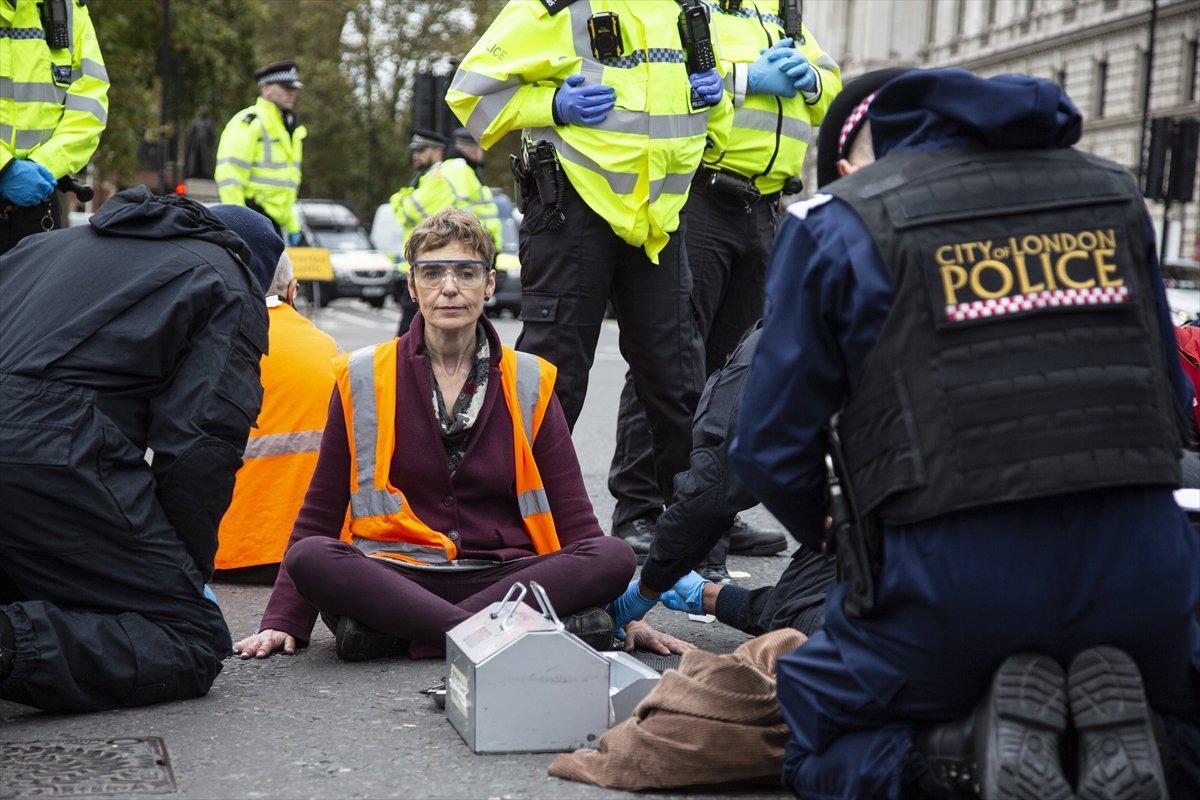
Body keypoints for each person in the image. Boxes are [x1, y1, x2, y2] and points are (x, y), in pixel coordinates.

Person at [727, 68, 1199, 799]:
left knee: (815, 738)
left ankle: (959, 757)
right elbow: (1173, 400)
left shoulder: (838, 219)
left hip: (949, 579)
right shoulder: (1115, 196)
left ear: (895, 132)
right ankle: (1154, 747)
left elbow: (766, 445)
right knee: (1185, 709)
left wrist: (834, 542)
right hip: (1140, 570)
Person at [234, 208, 637, 663]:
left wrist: (623, 612)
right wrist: (282, 620)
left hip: (505, 574)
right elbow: (320, 510)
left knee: (615, 555)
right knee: (310, 556)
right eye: (432, 273)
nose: (449, 288)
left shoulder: (531, 379)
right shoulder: (362, 374)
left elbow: (574, 515)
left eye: (466, 273)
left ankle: (410, 633)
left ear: (488, 285)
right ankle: (494, 631)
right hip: (399, 574)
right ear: (412, 286)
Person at [447, 0, 734, 519]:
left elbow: (705, 124)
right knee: (555, 378)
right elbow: (471, 90)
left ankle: (692, 543)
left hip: (657, 221)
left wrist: (717, 98)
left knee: (679, 384)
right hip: (572, 210)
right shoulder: (561, 6)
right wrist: (551, 105)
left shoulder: (686, 11)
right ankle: (506, 528)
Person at [0, 188, 282, 712]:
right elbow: (201, 444)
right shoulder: (226, 275)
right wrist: (183, 574)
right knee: (190, 639)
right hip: (46, 447)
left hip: (33, 454)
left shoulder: (45, 247)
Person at [607, 3, 842, 568]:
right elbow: (658, 81)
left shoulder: (779, 18)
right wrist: (744, 80)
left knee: (733, 371)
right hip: (701, 196)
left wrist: (813, 82)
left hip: (764, 204)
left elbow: (835, 87)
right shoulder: (687, 12)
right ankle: (640, 511)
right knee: (670, 359)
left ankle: (708, 512)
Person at [609, 324, 838, 640]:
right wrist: (709, 596)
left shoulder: (783, 348)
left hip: (898, 531)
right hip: (896, 518)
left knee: (824, 623)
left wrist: (650, 585)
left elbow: (712, 489)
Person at [215, 251, 346, 583]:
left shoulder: (214, 340)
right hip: (316, 553)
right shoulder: (327, 348)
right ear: (293, 290)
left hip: (223, 552)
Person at [1, 0, 109, 254]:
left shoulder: (67, 9)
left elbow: (89, 104)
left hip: (36, 203)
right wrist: (4, 167)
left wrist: (46, 164)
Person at [391, 128, 503, 337]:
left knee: (410, 337)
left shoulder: (445, 174)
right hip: (474, 259)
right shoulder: (468, 174)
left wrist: (401, 196)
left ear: (437, 151)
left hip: (434, 260)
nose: (416, 155)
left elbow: (408, 212)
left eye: (422, 150)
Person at [216, 60, 307, 244]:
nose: (291, 92)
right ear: (265, 89)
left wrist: (293, 226)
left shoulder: (289, 129)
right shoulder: (249, 122)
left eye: (293, 88)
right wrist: (238, 223)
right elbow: (229, 177)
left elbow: (285, 188)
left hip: (274, 225)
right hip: (253, 217)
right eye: (285, 86)